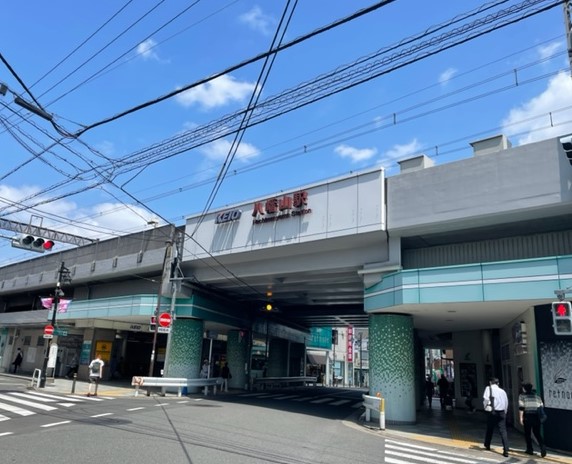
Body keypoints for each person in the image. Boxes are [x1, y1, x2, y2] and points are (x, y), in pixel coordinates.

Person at [483, 377, 509, 457]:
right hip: (501, 412)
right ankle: (506, 450)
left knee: (490, 428)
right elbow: (506, 402)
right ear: (498, 383)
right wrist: (505, 412)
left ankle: (487, 444)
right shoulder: (503, 391)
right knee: (503, 431)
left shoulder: (488, 388)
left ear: (490, 382)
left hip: (492, 412)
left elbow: (486, 399)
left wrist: (485, 407)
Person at [519, 383, 547, 457]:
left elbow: (521, 408)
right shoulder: (537, 397)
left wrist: (521, 418)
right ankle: (542, 447)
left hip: (527, 416)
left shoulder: (522, 396)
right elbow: (541, 406)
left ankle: (530, 449)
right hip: (536, 417)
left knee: (528, 433)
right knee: (537, 433)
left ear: (524, 389)